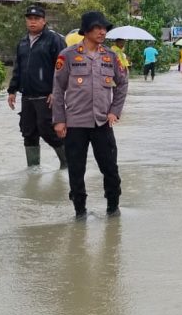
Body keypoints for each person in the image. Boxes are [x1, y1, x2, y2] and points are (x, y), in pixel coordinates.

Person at [53, 11, 129, 218]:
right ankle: (80, 212)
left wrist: (115, 111)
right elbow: (58, 89)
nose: (103, 32)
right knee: (76, 171)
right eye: (98, 28)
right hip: (75, 123)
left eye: (105, 28)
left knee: (110, 169)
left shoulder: (111, 56)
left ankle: (113, 209)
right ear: (86, 31)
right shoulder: (67, 55)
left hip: (102, 123)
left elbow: (122, 84)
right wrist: (59, 120)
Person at [7, 3, 67, 168]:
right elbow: (18, 68)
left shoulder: (55, 40)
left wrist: (57, 92)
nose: (32, 22)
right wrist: (12, 90)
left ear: (44, 20)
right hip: (27, 96)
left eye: (37, 19)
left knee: (49, 131)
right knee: (28, 133)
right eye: (30, 19)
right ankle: (33, 170)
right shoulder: (23, 42)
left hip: (47, 96)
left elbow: (62, 68)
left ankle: (67, 164)